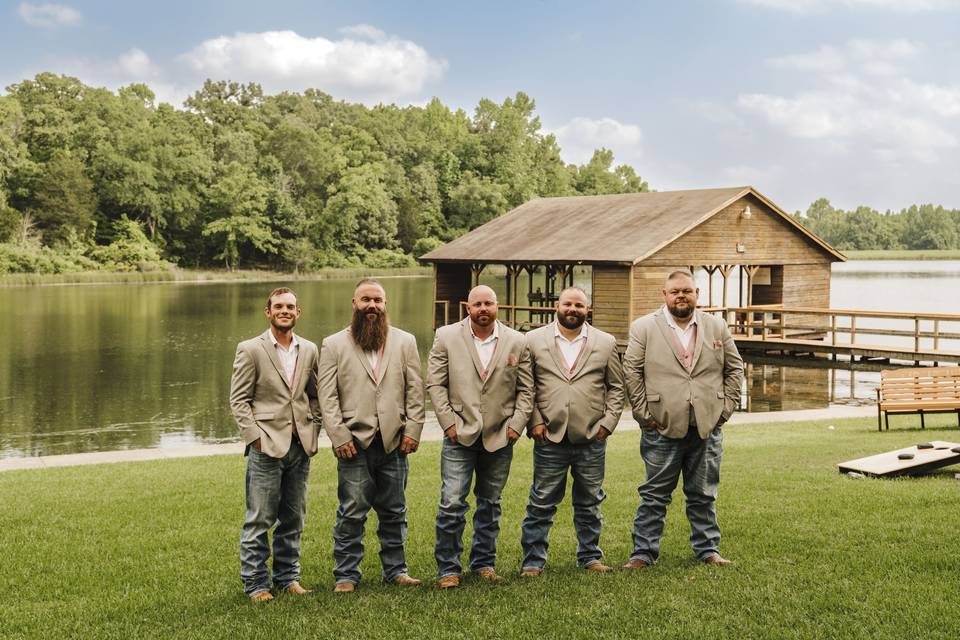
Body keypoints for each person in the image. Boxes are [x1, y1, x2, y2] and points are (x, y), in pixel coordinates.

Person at [623, 269, 744, 569]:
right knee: (654, 494)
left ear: (697, 294)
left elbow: (735, 369)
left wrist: (724, 410)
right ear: (664, 295)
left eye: (687, 291)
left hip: (706, 425)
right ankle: (643, 553)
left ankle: (707, 549)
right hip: (661, 425)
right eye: (675, 291)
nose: (681, 296)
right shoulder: (643, 328)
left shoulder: (716, 326)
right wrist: (643, 414)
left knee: (704, 493)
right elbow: (632, 372)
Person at [317, 278, 425, 594]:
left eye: (378, 300)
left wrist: (413, 430)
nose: (372, 306)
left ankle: (396, 571)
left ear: (385, 304)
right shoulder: (333, 344)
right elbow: (327, 396)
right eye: (366, 299)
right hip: (353, 444)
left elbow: (416, 391)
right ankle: (347, 575)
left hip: (395, 442)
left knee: (395, 511)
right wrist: (338, 436)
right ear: (355, 304)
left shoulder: (405, 342)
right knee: (351, 512)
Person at [427, 284, 533, 588]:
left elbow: (527, 389)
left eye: (489, 304)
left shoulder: (517, 340)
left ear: (496, 306)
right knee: (451, 503)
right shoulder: (446, 336)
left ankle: (484, 562)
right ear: (467, 307)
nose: (483, 309)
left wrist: (517, 424)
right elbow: (435, 384)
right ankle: (448, 568)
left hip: (501, 434)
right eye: (477, 304)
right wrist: (448, 423)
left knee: (490, 503)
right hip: (459, 434)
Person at [519, 287, 624, 577]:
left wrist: (608, 422)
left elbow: (616, 387)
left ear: (587, 309)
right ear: (557, 306)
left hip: (591, 436)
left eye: (579, 305)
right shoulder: (533, 340)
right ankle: (533, 560)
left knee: (590, 501)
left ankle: (590, 556)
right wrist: (535, 421)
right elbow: (527, 386)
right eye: (568, 304)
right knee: (541, 501)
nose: (573, 309)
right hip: (549, 435)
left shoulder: (605, 342)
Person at [230, 287, 322, 603]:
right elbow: (239, 400)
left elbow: (315, 394)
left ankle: (288, 578)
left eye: (291, 307)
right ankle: (256, 584)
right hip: (265, 447)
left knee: (294, 517)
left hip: (300, 445)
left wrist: (315, 425)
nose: (285, 311)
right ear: (267, 312)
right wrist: (255, 438)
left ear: (299, 312)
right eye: (279, 306)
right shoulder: (250, 349)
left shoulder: (309, 349)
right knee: (260, 519)